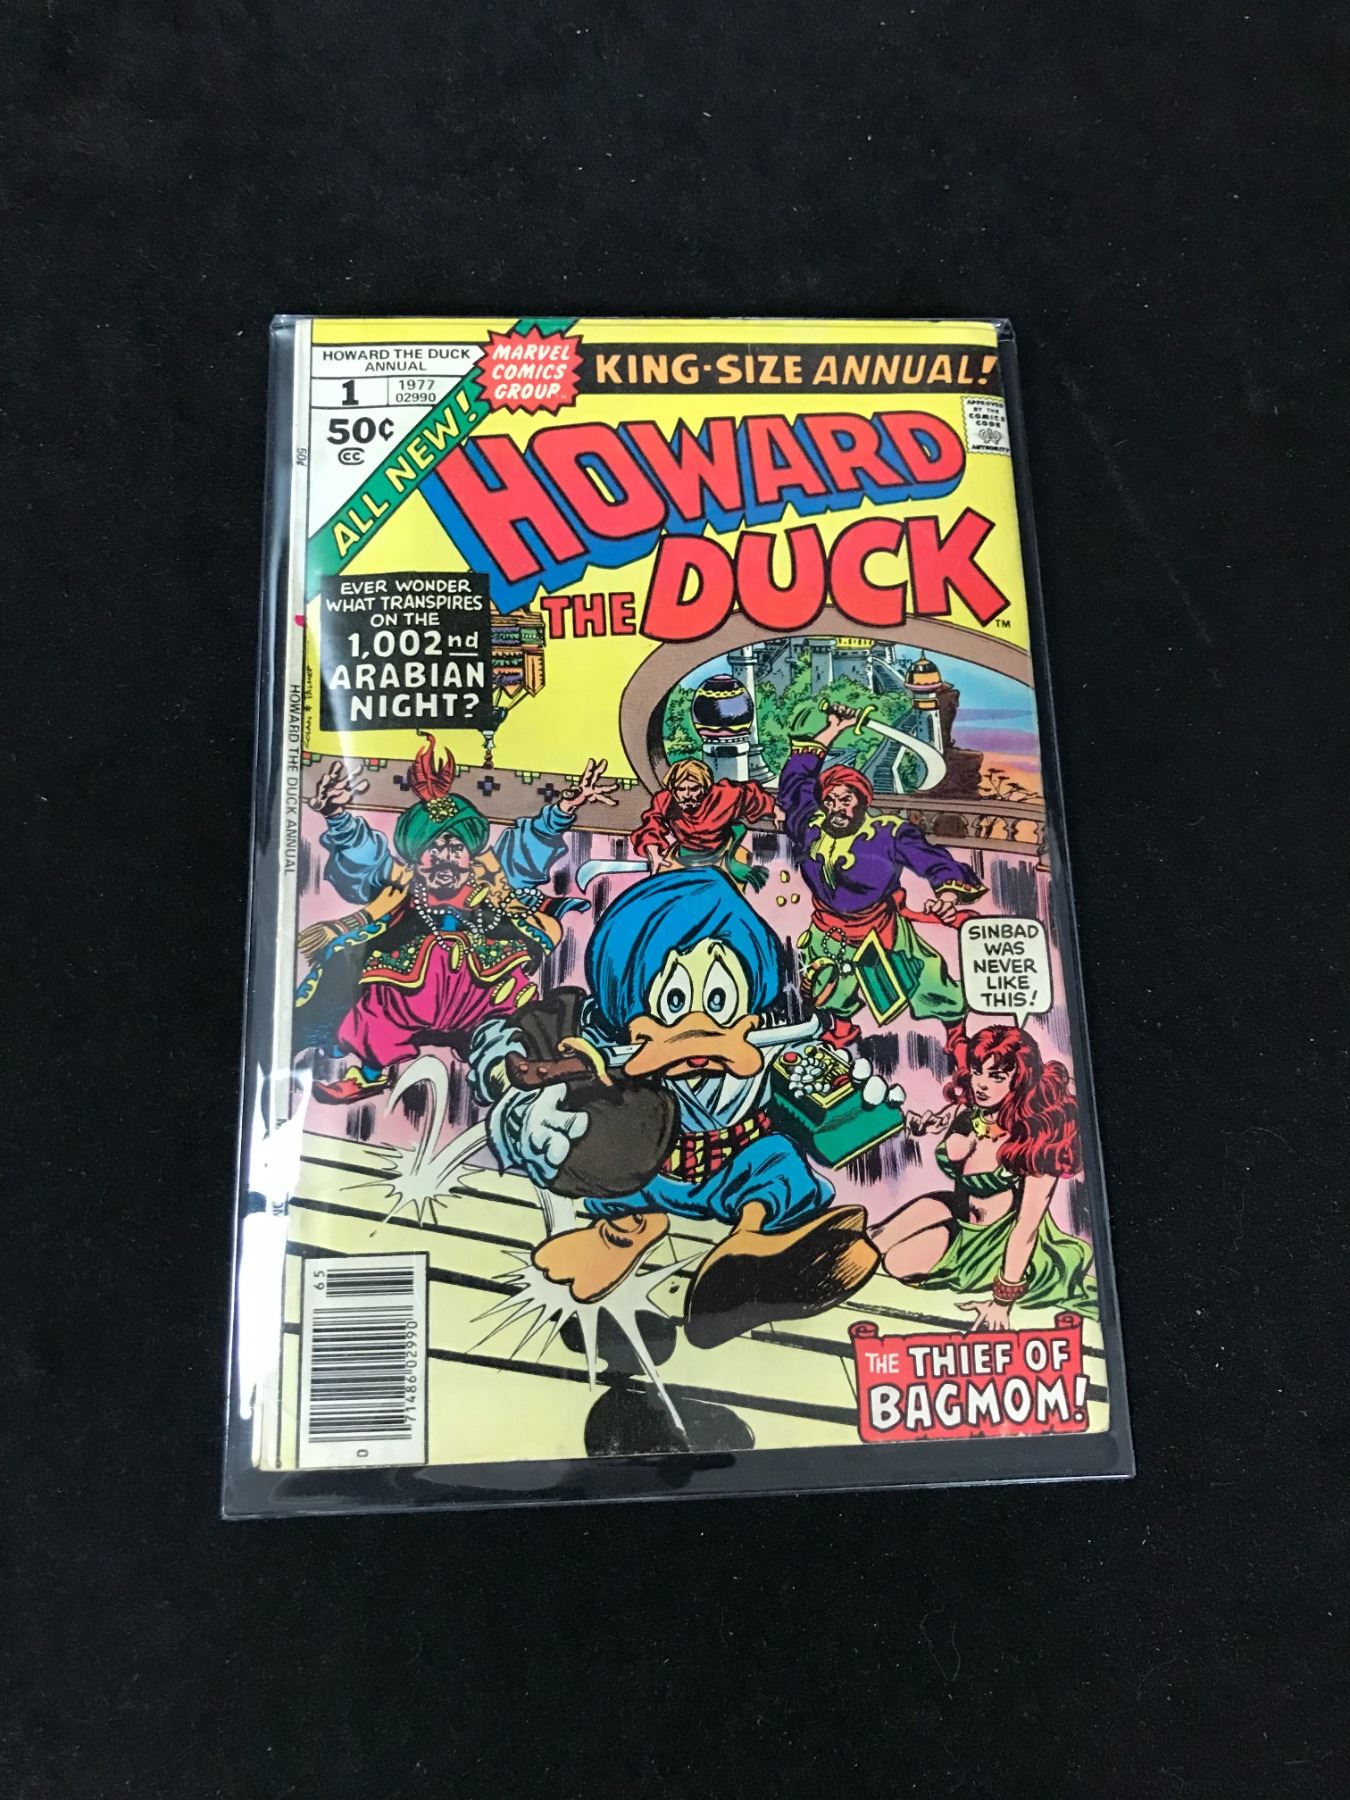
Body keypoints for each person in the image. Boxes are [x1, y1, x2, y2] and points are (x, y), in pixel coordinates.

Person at [468, 871, 879, 1349]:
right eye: (676, 1001)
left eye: (719, 1000)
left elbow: (814, 1072)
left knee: (777, 1163)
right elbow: (514, 1036)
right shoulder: (600, 1040)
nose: (698, 1025)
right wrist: (513, 1074)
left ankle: (752, 1253)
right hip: (652, 1179)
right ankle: (623, 1235)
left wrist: (842, 1087)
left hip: (734, 1175)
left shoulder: (768, 1040)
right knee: (618, 1160)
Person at [295, 736, 614, 1102]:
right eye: (434, 849)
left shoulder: (490, 876)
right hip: (409, 984)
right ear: (417, 856)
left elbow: (526, 849)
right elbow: (365, 856)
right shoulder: (401, 882)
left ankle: (510, 1075)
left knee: (512, 1015)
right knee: (377, 1006)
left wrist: (564, 809)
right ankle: (370, 1074)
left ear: (469, 853)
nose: (445, 857)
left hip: (481, 982)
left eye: (455, 848)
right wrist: (336, 817)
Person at [778, 702, 985, 1049]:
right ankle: (842, 1029)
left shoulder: (888, 833)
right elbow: (796, 780)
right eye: (830, 800)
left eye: (846, 800)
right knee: (830, 986)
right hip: (828, 930)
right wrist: (833, 728)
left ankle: (956, 1035)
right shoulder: (811, 825)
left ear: (862, 802)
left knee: (928, 978)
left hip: (881, 928)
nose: (837, 808)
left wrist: (947, 896)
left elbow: (932, 859)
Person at [874, 1021, 1096, 1324]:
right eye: (978, 1071)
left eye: (996, 1076)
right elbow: (941, 1122)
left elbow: (1027, 1227)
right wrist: (923, 1125)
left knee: (896, 1262)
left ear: (1020, 1079)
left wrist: (1001, 1302)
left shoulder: (1038, 1140)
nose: (981, 1084)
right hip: (957, 1211)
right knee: (877, 1240)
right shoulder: (971, 1112)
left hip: (993, 1244)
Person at [630, 757, 776, 889]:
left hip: (721, 853)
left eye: (694, 789)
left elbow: (752, 796)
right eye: (681, 789)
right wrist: (654, 853)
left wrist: (775, 810)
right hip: (683, 855)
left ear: (705, 788)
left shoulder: (723, 795)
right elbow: (652, 823)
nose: (687, 795)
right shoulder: (665, 801)